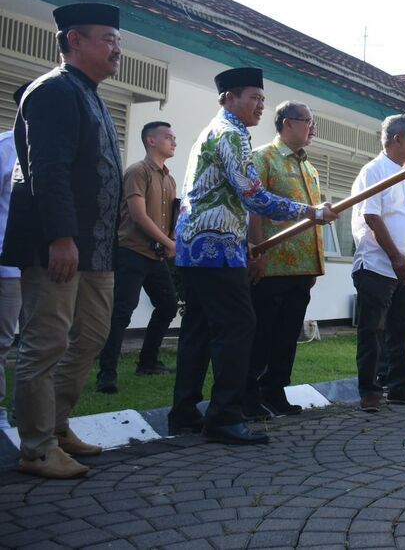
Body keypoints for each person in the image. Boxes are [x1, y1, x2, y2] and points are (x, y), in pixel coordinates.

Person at [167, 68, 336, 445]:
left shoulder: (215, 131)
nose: (261, 106)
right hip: (217, 247)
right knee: (240, 326)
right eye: (253, 98)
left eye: (263, 99)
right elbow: (254, 196)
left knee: (197, 330)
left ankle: (184, 413)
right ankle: (225, 417)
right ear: (229, 97)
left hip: (195, 247)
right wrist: (310, 212)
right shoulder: (231, 134)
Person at [0, 3, 124, 479]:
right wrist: (62, 238)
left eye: (118, 40)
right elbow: (46, 171)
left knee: (90, 336)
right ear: (74, 40)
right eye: (108, 38)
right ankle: (35, 447)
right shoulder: (52, 91)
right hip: (60, 244)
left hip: (95, 249)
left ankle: (57, 425)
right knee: (46, 342)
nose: (118, 48)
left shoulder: (90, 94)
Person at [243, 101, 325, 420]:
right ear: (287, 123)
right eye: (308, 121)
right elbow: (254, 207)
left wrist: (315, 263)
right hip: (272, 264)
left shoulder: (310, 168)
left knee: (287, 336)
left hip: (302, 267)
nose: (312, 127)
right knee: (262, 332)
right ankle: (248, 395)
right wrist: (257, 250)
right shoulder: (263, 158)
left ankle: (275, 391)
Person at [352, 115, 405, 412]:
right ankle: (370, 391)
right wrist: (395, 256)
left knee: (403, 329)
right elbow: (371, 216)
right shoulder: (374, 171)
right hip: (377, 265)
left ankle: (399, 386)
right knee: (373, 331)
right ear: (396, 139)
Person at [95, 122, 179, 394]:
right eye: (168, 137)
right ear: (151, 141)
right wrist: (168, 242)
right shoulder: (137, 171)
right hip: (131, 251)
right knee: (122, 311)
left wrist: (171, 240)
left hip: (155, 255)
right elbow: (138, 214)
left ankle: (148, 362)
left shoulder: (169, 178)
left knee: (167, 304)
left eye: (174, 137)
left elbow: (169, 218)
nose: (173, 141)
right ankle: (106, 375)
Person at [0, 83, 29, 431]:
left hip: (41, 265)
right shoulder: (7, 148)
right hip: (7, 266)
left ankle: (29, 414)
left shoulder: (51, 150)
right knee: (3, 340)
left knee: (41, 343)